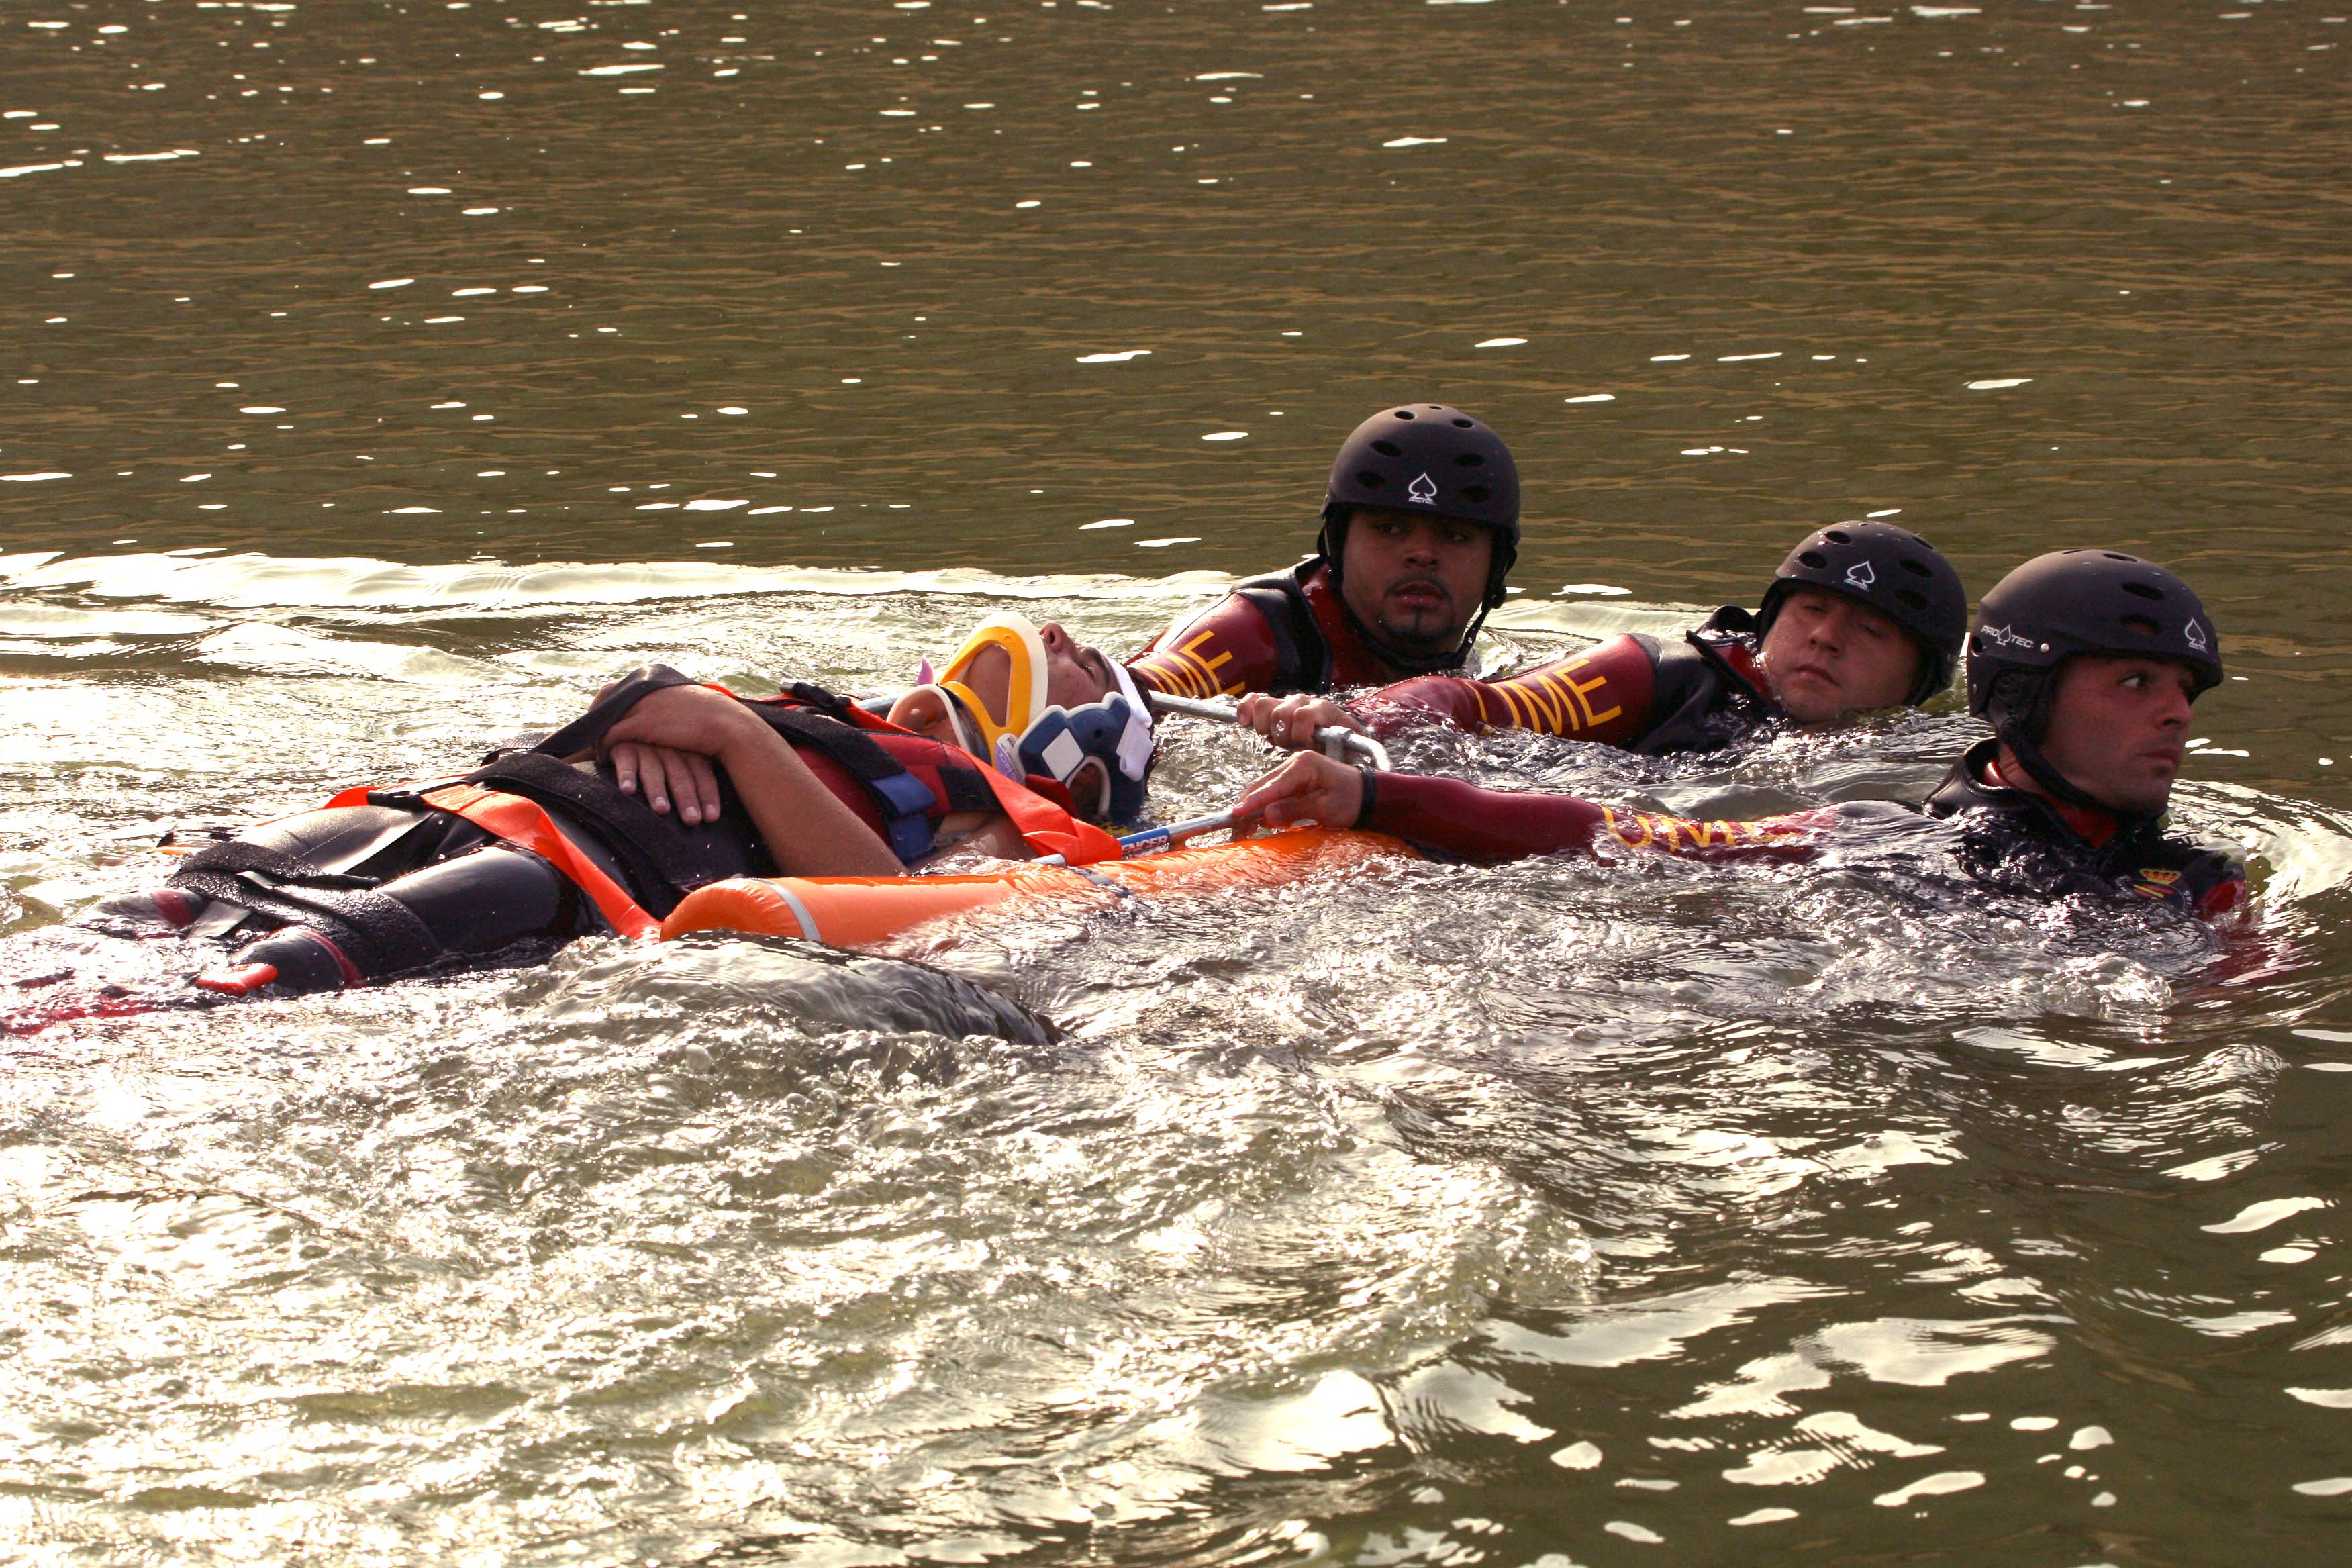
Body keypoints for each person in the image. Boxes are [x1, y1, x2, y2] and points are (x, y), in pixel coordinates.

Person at [95, 612, 1157, 999]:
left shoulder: (1011, 812)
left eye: (1084, 663)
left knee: (276, 968)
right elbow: (636, 706)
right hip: (455, 805)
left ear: (1085, 764)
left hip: (574, 872)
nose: (1057, 634)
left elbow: (886, 906)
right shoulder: (820, 714)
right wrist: (654, 711)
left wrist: (731, 738)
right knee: (173, 902)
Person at [1229, 549, 2243, 918]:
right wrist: (1372, 785)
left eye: (2185, 691)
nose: (2175, 713)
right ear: (2023, 697)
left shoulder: (2205, 882)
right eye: (2136, 682)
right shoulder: (1886, 832)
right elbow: (1629, 836)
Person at [1233, 520, 1967, 757]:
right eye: (1810, 611)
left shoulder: (1926, 761)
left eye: (1870, 630)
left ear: (1921, 683)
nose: (1827, 639)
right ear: (1769, 622)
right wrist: (1356, 718)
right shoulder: (1652, 674)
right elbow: (1477, 704)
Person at [1124, 403, 1521, 701]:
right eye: (1389, 528)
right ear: (1339, 544)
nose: (1422, 554)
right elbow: (1139, 689)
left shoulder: (1501, 678)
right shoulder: (1251, 634)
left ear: (1497, 565)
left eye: (1454, 536)